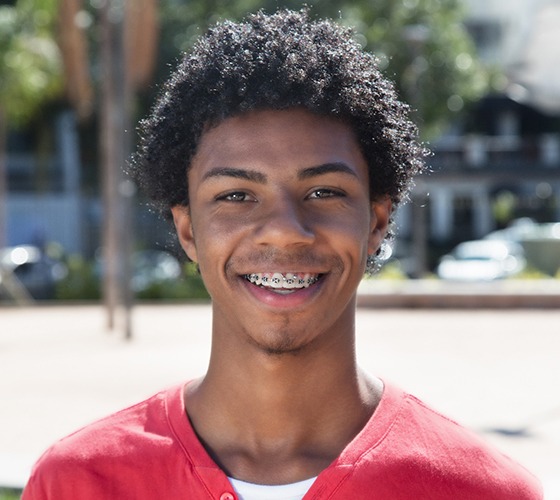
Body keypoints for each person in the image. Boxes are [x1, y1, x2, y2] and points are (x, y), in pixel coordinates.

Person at [23, 9, 541, 500]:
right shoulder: (77, 481)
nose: (284, 232)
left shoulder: (485, 490)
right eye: (236, 196)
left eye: (323, 192)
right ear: (187, 231)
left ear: (376, 223)